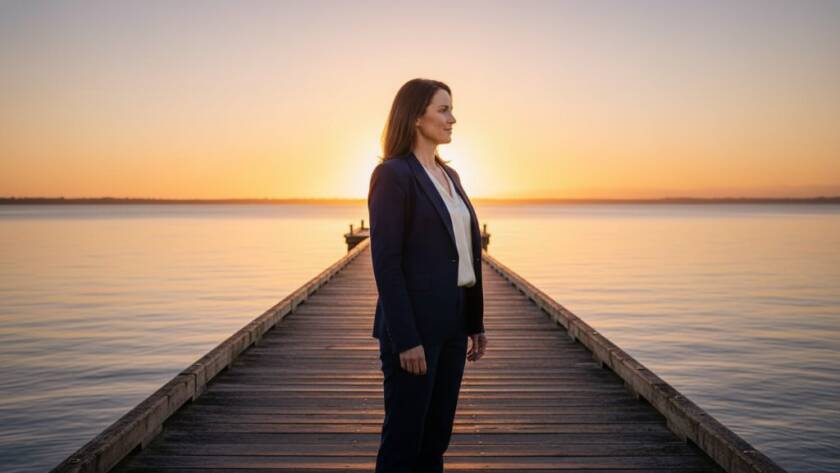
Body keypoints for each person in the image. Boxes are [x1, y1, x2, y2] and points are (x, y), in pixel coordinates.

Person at [367, 77, 488, 473]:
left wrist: (475, 321)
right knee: (404, 441)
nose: (453, 118)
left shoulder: (450, 177)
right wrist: (406, 339)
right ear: (417, 117)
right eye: (443, 109)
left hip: (453, 324)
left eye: (451, 109)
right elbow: (387, 262)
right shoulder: (393, 175)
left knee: (436, 439)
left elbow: (466, 254)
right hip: (414, 330)